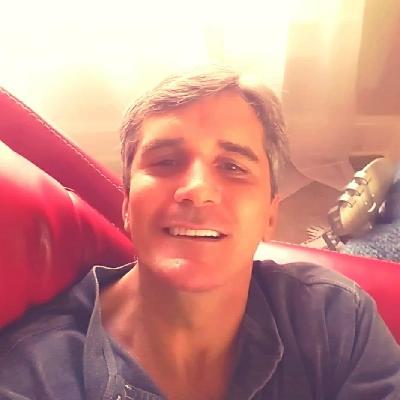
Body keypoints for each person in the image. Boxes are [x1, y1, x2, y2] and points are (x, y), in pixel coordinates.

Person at [0, 67, 399, 400]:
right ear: (126, 205)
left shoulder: (337, 318)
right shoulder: (36, 378)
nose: (197, 189)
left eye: (233, 167)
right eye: (165, 161)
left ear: (270, 214)